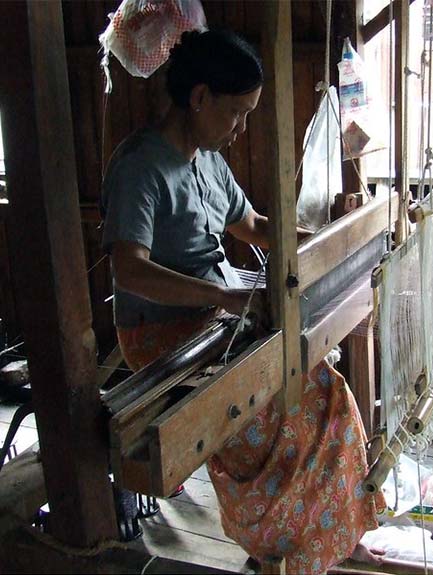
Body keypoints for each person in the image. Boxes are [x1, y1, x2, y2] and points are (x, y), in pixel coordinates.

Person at [101, 28, 384, 573]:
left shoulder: (207, 160)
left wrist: (325, 246)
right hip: (163, 332)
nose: (242, 127)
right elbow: (129, 269)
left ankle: (337, 529)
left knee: (327, 393)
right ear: (200, 97)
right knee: (276, 424)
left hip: (218, 312)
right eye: (236, 113)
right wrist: (224, 297)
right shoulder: (141, 166)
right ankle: (282, 547)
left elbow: (252, 224)